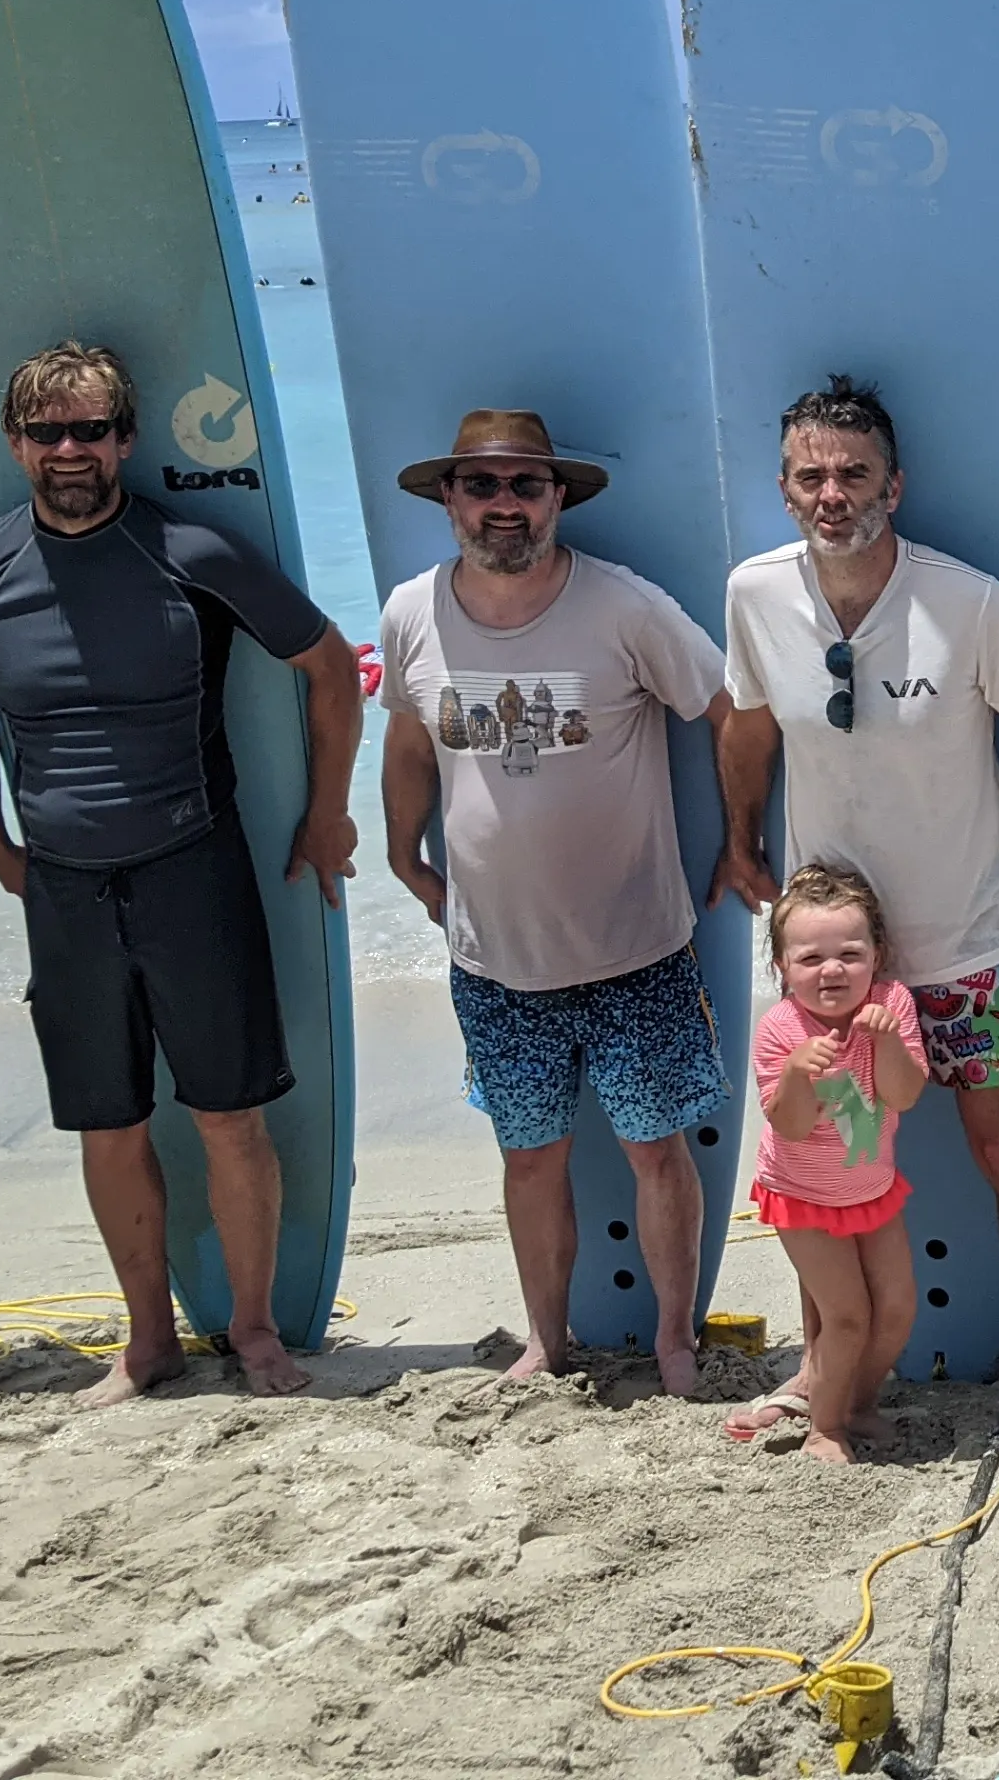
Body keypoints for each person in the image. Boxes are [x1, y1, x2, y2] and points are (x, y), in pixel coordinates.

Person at [0, 342, 364, 1404]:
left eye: (90, 430)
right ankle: (145, 1340)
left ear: (125, 439)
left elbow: (328, 666)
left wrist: (328, 813)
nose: (68, 451)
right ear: (15, 445)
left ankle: (254, 1332)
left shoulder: (192, 552)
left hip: (191, 870)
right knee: (108, 1124)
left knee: (228, 1116)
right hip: (67, 888)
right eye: (47, 433)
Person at [713, 375, 999, 1446]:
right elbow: (746, 727)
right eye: (812, 475)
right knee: (819, 1161)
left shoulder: (967, 600)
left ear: (895, 486)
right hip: (832, 955)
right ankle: (819, 1373)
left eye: (854, 473)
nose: (832, 493)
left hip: (969, 941)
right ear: (784, 487)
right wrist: (738, 837)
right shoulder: (756, 594)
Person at [374, 409, 731, 1393]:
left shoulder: (623, 607)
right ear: (448, 497)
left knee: (656, 1151)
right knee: (530, 1158)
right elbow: (408, 741)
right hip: (497, 961)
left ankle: (672, 1339)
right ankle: (547, 1340)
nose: (503, 505)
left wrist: (743, 842)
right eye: (481, 486)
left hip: (639, 950)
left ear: (556, 497)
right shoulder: (412, 610)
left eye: (524, 486)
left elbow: (726, 707)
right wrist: (405, 860)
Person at [742, 862, 928, 1463]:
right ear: (782, 969)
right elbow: (789, 1124)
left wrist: (887, 1042)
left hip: (871, 1188)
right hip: (802, 1197)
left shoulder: (891, 1003)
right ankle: (824, 1428)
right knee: (845, 1318)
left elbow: (904, 1095)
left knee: (896, 1309)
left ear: (877, 955)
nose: (832, 970)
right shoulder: (778, 1029)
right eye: (810, 959)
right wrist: (798, 1070)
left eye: (849, 953)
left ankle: (856, 1402)